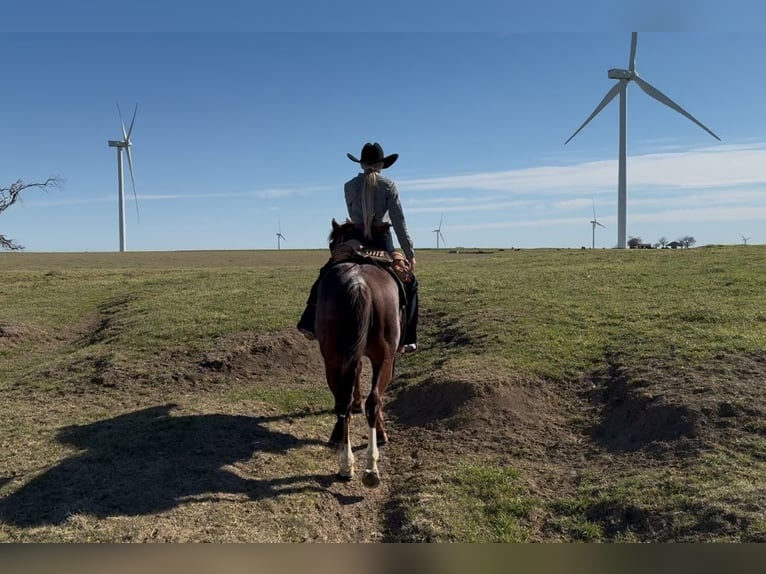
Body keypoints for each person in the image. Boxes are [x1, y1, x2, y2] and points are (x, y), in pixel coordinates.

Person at [297, 142, 419, 353]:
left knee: (327, 272)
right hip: (382, 240)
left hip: (355, 241)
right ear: (382, 164)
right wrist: (409, 253)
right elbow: (399, 221)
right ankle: (407, 338)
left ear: (361, 164)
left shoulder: (348, 186)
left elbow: (355, 217)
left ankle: (309, 321)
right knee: (410, 282)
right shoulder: (389, 185)